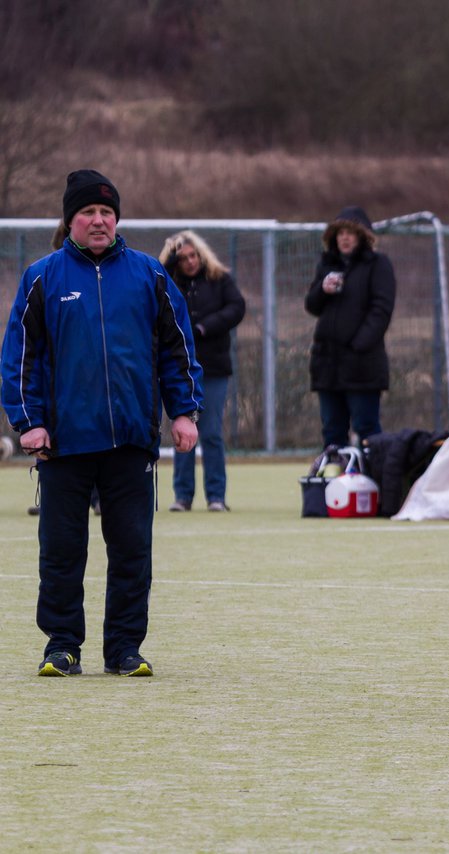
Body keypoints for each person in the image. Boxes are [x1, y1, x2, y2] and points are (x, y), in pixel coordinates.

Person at [0, 168, 203, 678]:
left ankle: (124, 649)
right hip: (63, 444)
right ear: (70, 220)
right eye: (87, 212)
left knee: (133, 551)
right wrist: (29, 421)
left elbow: (178, 350)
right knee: (62, 552)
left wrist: (183, 411)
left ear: (117, 220)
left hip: (132, 441)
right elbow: (20, 358)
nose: (98, 221)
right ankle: (63, 646)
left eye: (106, 213)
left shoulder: (149, 276)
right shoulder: (43, 277)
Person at [159, 230, 246, 512]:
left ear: (201, 254)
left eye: (193, 256)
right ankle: (183, 496)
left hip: (214, 368)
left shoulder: (219, 280)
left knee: (210, 433)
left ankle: (216, 496)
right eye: (182, 258)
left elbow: (237, 308)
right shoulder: (168, 283)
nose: (190, 262)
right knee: (183, 432)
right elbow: (155, 299)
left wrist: (205, 327)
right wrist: (168, 263)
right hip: (181, 371)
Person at [304, 206, 396, 448]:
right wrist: (322, 289)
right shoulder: (327, 265)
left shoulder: (378, 264)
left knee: (367, 431)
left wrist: (356, 347)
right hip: (327, 365)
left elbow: (381, 311)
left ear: (362, 236)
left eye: (350, 232)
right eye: (340, 232)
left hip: (362, 367)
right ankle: (336, 483)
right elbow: (311, 305)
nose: (344, 237)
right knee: (332, 432)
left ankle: (374, 483)